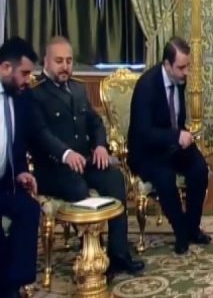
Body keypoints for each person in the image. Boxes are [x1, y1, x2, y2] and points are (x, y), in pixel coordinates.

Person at [27, 36, 144, 276]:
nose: (65, 66)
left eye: (69, 61)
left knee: (114, 179)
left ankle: (119, 253)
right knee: (78, 189)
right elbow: (40, 134)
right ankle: (93, 258)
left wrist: (100, 146)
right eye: (59, 61)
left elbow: (95, 122)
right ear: (46, 62)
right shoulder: (36, 95)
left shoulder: (78, 89)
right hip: (53, 170)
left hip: (83, 163)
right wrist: (66, 153)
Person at [128, 37, 211, 254]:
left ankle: (192, 227)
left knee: (199, 168)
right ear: (167, 64)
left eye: (188, 66)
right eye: (181, 67)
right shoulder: (146, 86)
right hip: (147, 152)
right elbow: (144, 132)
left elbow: (175, 118)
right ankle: (181, 232)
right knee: (165, 178)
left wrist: (182, 137)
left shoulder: (179, 80)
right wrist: (176, 136)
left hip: (171, 145)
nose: (186, 72)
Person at [0, 38, 41, 298]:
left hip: (5, 184)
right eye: (24, 73)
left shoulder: (20, 98)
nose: (28, 80)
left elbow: (16, 145)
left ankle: (15, 285)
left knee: (29, 209)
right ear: (6, 67)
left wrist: (21, 172)